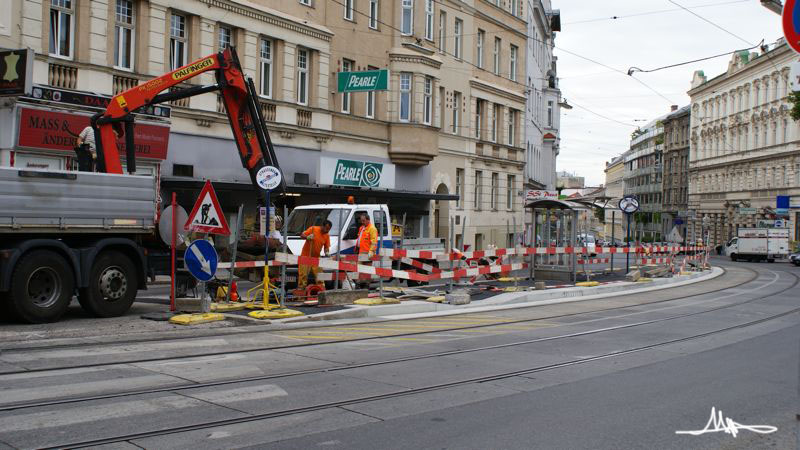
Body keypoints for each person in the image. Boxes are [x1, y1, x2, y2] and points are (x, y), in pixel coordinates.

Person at [297, 219, 332, 290]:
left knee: (319, 275)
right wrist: (307, 237)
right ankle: (301, 291)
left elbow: (326, 247)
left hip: (316, 258)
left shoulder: (326, 236)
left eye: (329, 229)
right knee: (303, 276)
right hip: (305, 256)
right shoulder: (313, 229)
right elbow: (302, 235)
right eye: (326, 228)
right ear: (322, 226)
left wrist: (327, 252)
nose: (327, 231)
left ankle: (321, 290)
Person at [356, 214, 378, 289]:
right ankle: (359, 285)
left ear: (368, 220)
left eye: (364, 221)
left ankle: (366, 286)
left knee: (367, 270)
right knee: (360, 270)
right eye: (361, 220)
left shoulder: (372, 229)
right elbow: (359, 239)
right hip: (361, 251)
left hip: (367, 252)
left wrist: (371, 251)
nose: (362, 222)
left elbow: (374, 241)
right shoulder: (361, 228)